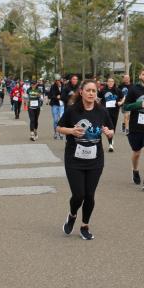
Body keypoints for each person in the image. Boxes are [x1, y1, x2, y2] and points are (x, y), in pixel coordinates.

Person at [57, 79, 114, 241]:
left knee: (89, 195)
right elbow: (59, 128)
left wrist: (109, 133)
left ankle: (84, 226)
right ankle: (72, 214)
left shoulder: (102, 111)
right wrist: (71, 131)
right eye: (88, 90)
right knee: (78, 195)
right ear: (81, 92)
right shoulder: (72, 110)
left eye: (94, 91)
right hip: (74, 159)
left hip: (95, 160)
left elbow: (111, 130)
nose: (91, 93)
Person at [99, 76, 121, 152]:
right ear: (107, 83)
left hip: (115, 111)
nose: (110, 83)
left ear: (114, 83)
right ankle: (110, 144)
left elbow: (123, 97)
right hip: (105, 112)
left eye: (112, 81)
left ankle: (111, 139)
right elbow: (98, 98)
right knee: (106, 127)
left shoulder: (117, 90)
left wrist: (120, 102)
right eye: (109, 81)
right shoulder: (103, 90)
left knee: (112, 128)